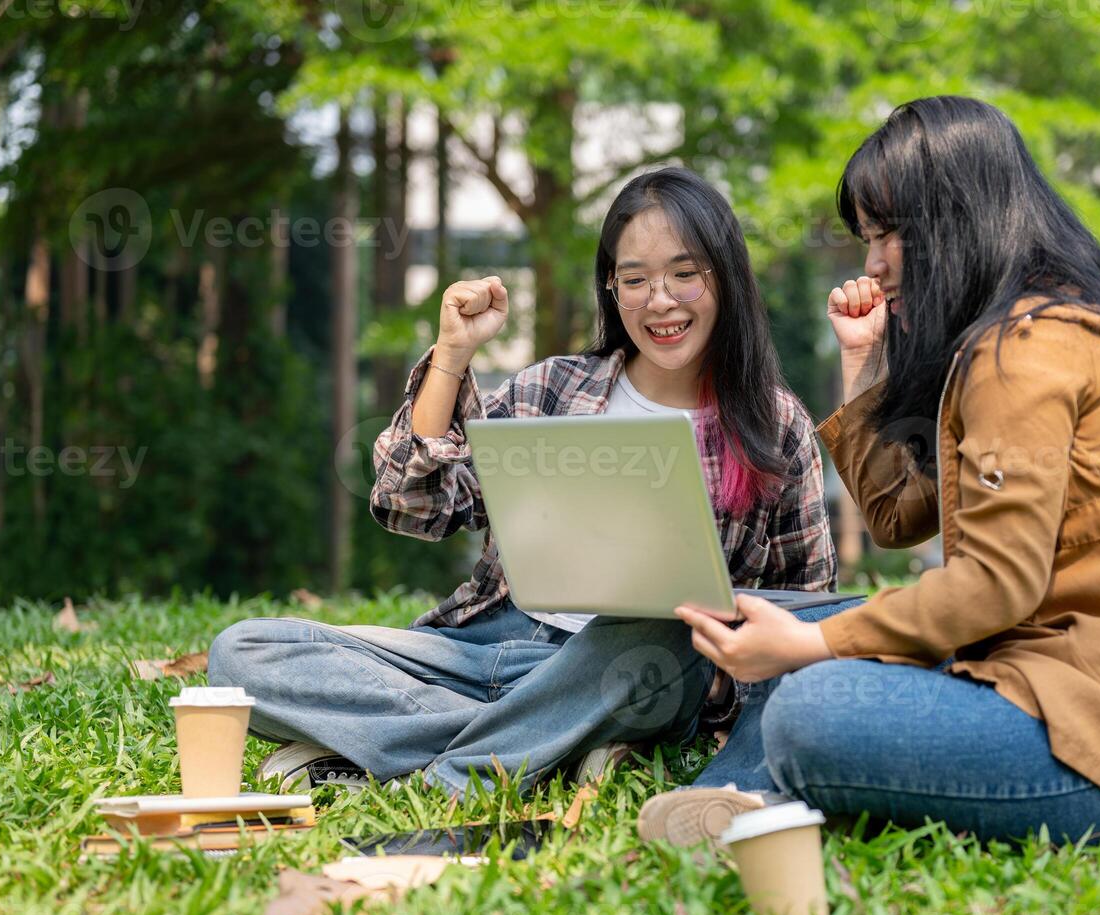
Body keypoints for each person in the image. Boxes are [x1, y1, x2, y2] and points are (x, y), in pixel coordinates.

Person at [640, 96, 1100, 846]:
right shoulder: (1031, 330)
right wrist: (862, 360)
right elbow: (899, 518)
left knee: (812, 701)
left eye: (888, 235)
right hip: (1069, 686)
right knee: (787, 617)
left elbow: (997, 585)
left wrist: (812, 651)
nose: (871, 263)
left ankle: (759, 796)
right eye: (865, 238)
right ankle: (728, 801)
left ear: (955, 221)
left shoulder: (1026, 353)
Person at [207, 167, 836, 796]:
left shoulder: (775, 427)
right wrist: (452, 355)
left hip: (631, 665)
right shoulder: (553, 389)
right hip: (488, 646)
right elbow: (413, 504)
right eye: (635, 279)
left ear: (724, 278)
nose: (660, 299)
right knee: (242, 654)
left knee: (669, 634)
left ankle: (438, 772)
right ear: (611, 289)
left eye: (684, 273)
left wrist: (717, 675)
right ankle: (556, 743)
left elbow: (803, 613)